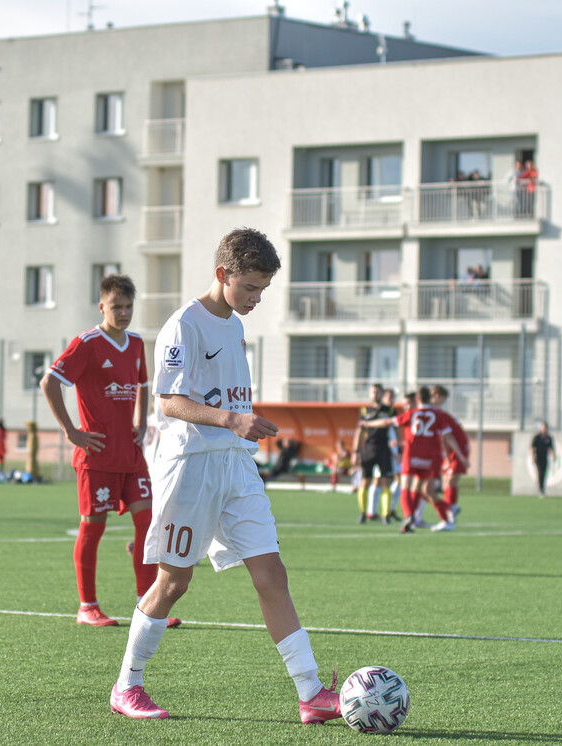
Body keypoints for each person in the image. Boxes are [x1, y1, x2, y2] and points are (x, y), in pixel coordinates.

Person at [110, 228, 342, 724]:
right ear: (223, 275)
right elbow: (168, 400)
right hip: (190, 466)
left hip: (236, 466)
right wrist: (232, 419)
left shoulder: (234, 324)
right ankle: (126, 685)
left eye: (263, 290)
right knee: (173, 583)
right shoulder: (183, 327)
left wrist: (239, 428)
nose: (257, 299)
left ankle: (311, 693)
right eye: (251, 288)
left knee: (271, 573)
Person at [42, 273, 178, 629]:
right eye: (116, 307)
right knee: (93, 528)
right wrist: (72, 431)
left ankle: (146, 603)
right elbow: (49, 382)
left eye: (129, 306)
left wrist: (140, 423)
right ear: (102, 306)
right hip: (97, 456)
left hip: (131, 455)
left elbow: (143, 384)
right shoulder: (86, 343)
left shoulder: (135, 343)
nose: (123, 313)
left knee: (147, 524)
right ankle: (87, 606)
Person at [361, 387, 468, 534]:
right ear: (429, 399)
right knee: (421, 489)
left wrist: (368, 424)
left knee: (406, 486)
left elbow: (386, 423)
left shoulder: (411, 414)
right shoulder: (438, 415)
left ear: (417, 400)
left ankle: (410, 516)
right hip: (428, 459)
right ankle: (441, 515)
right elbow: (447, 437)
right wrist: (456, 457)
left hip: (412, 456)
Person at [352, 383, 396, 523]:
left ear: (382, 394)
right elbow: (359, 431)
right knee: (365, 482)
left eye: (377, 392)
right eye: (372, 392)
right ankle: (363, 513)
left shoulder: (389, 411)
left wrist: (399, 448)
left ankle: (386, 514)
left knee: (385, 482)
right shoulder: (365, 411)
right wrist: (355, 451)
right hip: (368, 449)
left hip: (383, 448)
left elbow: (397, 429)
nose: (374, 394)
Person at [432, 385, 469, 526]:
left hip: (457, 447)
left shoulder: (438, 413)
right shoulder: (436, 412)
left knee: (451, 480)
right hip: (452, 448)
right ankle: (450, 509)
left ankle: (450, 512)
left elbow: (446, 436)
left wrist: (449, 458)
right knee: (446, 482)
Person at [531, 421, 555, 496]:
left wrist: (554, 456)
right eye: (542, 427)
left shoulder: (548, 438)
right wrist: (533, 457)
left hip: (545, 457)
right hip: (538, 457)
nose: (543, 428)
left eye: (544, 427)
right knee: (540, 472)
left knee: (544, 473)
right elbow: (532, 447)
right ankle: (540, 489)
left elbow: (551, 448)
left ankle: (542, 489)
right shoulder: (537, 437)